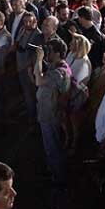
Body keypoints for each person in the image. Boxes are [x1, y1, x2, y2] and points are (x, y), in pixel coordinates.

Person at [33, 39, 70, 185]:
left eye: (50, 51)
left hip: (50, 114)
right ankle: (53, 170)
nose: (47, 53)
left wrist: (39, 59)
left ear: (58, 53)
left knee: (53, 147)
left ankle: (58, 179)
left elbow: (39, 81)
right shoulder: (56, 66)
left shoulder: (59, 72)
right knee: (50, 145)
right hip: (46, 110)